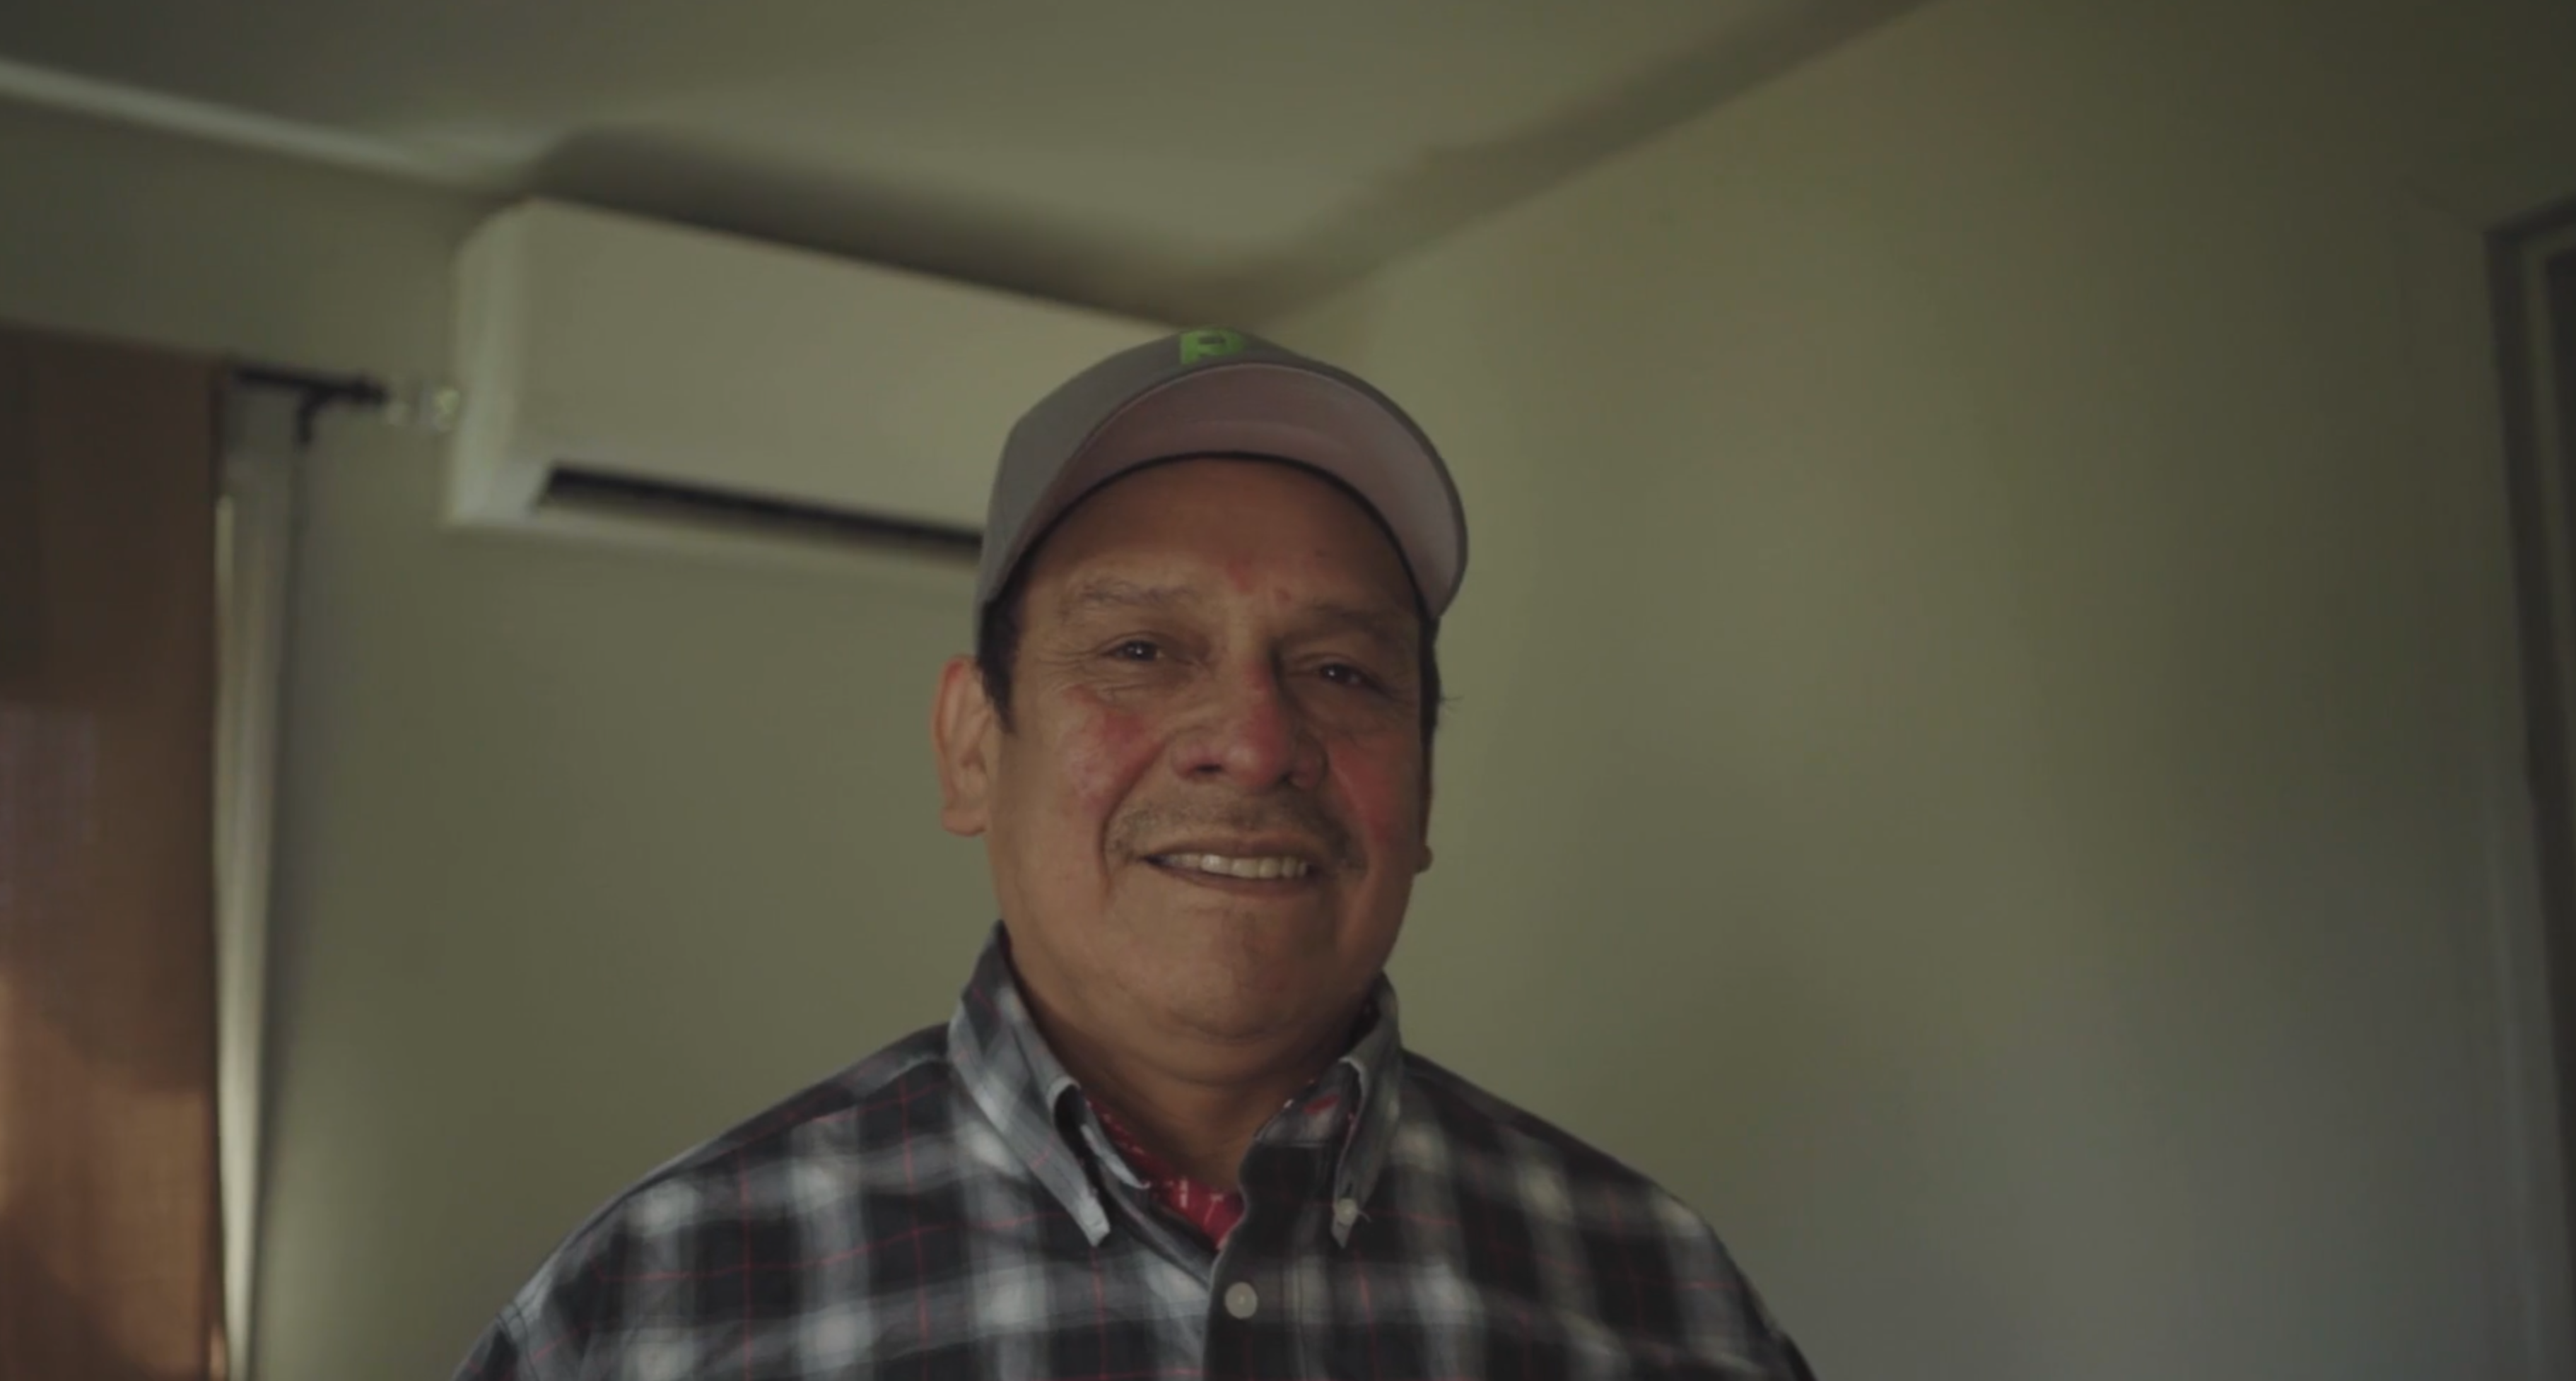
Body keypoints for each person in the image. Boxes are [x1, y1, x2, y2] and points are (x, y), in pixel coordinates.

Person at [452, 328, 1815, 1380]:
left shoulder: (1660, 1297)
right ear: (973, 747)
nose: (1256, 738)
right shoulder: (663, 1302)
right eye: (1143, 652)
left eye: (1342, 670)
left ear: (1425, 783)